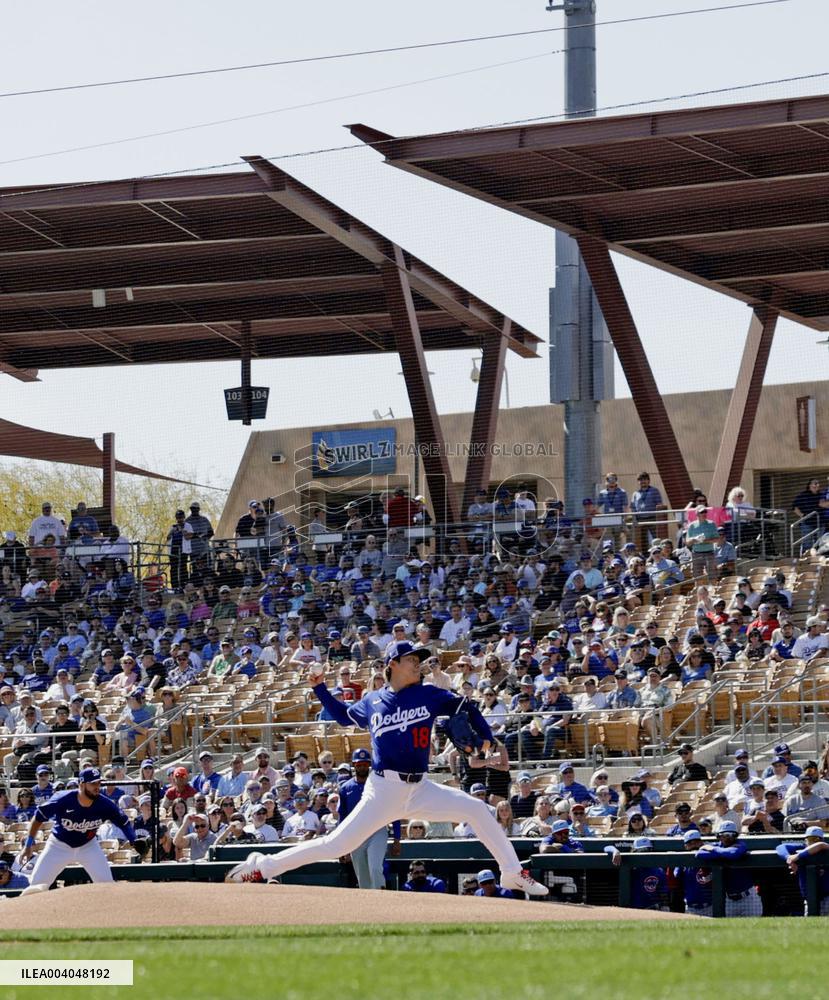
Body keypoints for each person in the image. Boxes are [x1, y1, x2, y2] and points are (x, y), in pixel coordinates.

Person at [227, 640, 547, 896]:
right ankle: (263, 866)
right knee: (336, 845)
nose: (417, 663)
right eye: (411, 659)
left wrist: (488, 740)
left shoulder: (429, 694)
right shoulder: (372, 701)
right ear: (392, 664)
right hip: (382, 790)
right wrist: (320, 688)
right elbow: (342, 717)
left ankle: (511, 871)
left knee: (477, 810)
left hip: (421, 788)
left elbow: (468, 708)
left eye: (419, 660)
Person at [17, 766, 140, 888]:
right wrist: (28, 844)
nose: (97, 787)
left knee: (106, 885)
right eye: (92, 783)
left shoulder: (105, 804)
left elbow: (124, 822)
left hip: (88, 846)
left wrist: (134, 840)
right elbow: (38, 818)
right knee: (36, 884)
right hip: (58, 845)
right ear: (81, 784)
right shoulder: (62, 799)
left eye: (98, 783)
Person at [339, 748, 401, 890]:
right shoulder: (345, 788)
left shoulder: (380, 785)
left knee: (375, 868)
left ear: (370, 765)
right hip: (356, 833)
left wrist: (397, 838)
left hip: (377, 830)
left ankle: (381, 897)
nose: (362, 767)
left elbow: (394, 812)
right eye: (359, 764)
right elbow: (343, 818)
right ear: (354, 765)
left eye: (365, 764)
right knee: (362, 876)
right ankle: (369, 908)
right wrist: (342, 844)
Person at [696, 820, 761, 916]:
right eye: (723, 834)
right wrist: (720, 851)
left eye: (730, 834)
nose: (726, 838)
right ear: (718, 836)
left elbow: (733, 853)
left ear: (735, 836)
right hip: (729, 899)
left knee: (753, 928)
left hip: (748, 897)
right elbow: (699, 854)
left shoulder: (740, 844)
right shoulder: (717, 845)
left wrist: (714, 850)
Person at [776, 826, 829, 915]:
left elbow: (821, 845)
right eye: (811, 839)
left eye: (817, 839)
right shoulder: (802, 847)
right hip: (809, 899)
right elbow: (780, 847)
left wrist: (797, 856)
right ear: (806, 840)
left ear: (822, 839)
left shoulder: (826, 848)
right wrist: (788, 858)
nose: (814, 842)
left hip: (827, 898)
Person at [674, 829, 713, 916]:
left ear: (701, 843)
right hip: (691, 908)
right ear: (685, 846)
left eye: (696, 842)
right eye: (690, 843)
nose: (693, 845)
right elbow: (676, 875)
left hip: (711, 906)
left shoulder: (710, 858)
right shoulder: (683, 863)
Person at [686, 506, 718, 579]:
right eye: (701, 512)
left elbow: (717, 539)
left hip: (709, 553)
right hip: (696, 554)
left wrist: (706, 541)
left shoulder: (712, 524)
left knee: (712, 577)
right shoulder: (692, 526)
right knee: (697, 577)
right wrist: (694, 539)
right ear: (697, 514)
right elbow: (687, 542)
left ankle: (713, 590)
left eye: (705, 512)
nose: (704, 514)